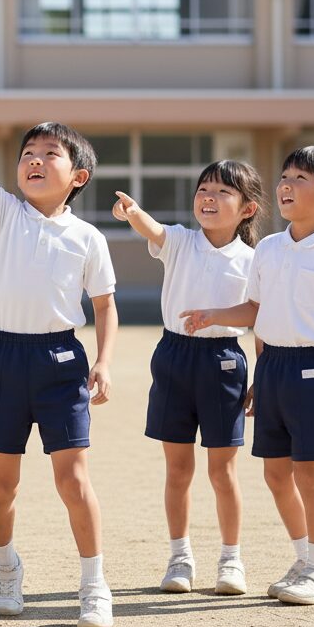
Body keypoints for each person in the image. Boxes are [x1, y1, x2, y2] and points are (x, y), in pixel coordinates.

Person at [0, 48, 118, 627]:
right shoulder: (1, 213)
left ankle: (94, 584)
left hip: (62, 360)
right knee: (0, 487)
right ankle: (5, 569)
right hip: (2, 358)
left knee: (73, 479)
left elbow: (105, 305)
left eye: (50, 154)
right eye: (28, 154)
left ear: (78, 176)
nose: (35, 161)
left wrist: (104, 361)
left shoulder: (88, 238)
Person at [182, 146, 314, 605]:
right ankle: (307, 559)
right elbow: (255, 311)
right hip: (274, 369)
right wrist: (214, 316)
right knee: (276, 474)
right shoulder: (267, 248)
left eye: (300, 179)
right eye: (285, 176)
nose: (286, 185)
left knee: (309, 475)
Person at [112, 161, 266, 596]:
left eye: (222, 191)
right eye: (203, 189)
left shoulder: (254, 260)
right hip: (173, 357)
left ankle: (231, 560)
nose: (208, 198)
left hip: (224, 361)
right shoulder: (181, 241)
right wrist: (132, 211)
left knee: (223, 471)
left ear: (248, 208)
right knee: (178, 469)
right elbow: (152, 229)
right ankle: (180, 558)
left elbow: (260, 318)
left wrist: (262, 375)